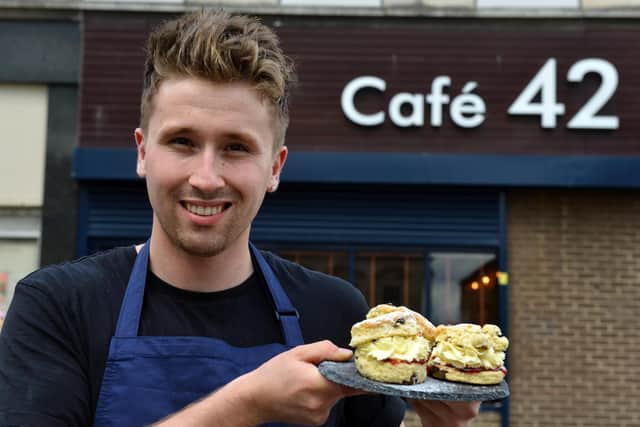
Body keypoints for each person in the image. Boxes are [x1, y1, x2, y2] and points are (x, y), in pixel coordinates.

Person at [0, 9, 480, 427]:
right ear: (143, 152)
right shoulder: (58, 307)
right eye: (183, 142)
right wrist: (245, 404)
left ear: (275, 168)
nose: (206, 178)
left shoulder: (335, 313)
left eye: (236, 147)